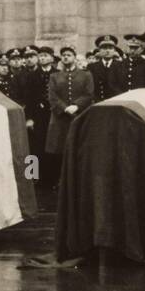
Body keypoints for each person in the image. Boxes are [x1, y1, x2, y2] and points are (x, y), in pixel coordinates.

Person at [46, 47, 94, 200]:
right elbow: (52, 96)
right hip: (60, 119)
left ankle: (79, 181)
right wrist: (64, 108)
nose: (66, 58)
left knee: (79, 148)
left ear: (74, 57)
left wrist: (76, 105)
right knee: (59, 151)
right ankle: (61, 181)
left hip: (79, 116)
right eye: (63, 55)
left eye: (69, 55)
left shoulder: (86, 75)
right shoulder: (54, 76)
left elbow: (89, 94)